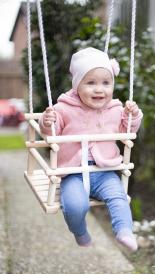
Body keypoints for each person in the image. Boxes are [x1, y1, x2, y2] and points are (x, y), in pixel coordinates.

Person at [39, 47, 143, 251]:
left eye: (106, 82)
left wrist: (133, 116)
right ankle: (80, 231)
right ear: (77, 85)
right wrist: (46, 121)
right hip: (73, 172)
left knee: (119, 198)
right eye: (91, 83)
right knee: (75, 206)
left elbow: (126, 129)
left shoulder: (115, 109)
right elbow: (50, 133)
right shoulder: (64, 108)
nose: (99, 89)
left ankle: (124, 231)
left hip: (104, 171)